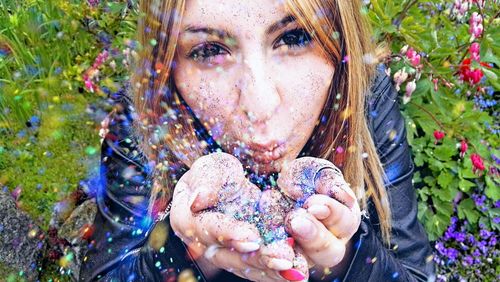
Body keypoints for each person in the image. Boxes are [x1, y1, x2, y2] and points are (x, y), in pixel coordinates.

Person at [79, 0, 436, 281]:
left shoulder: (363, 98)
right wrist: (185, 253)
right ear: (168, 65)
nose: (259, 106)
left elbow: (414, 272)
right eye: (208, 50)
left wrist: (345, 260)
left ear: (341, 40)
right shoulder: (145, 119)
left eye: (294, 37)